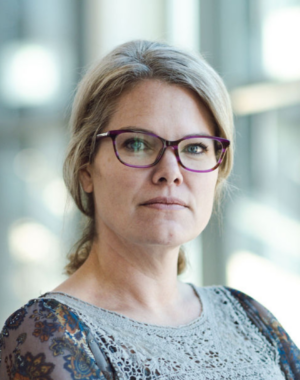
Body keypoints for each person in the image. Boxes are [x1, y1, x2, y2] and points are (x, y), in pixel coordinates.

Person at [0, 40, 299, 380]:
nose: (170, 171)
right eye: (138, 144)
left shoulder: (248, 316)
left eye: (196, 147)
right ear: (86, 170)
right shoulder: (47, 334)